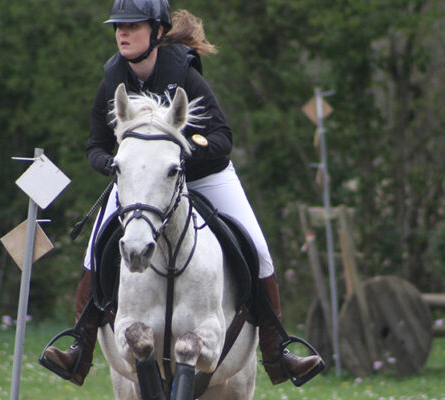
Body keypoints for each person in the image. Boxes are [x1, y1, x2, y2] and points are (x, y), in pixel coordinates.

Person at [41, 0, 321, 387]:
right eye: (118, 26)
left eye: (133, 26)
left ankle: (278, 352)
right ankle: (80, 347)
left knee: (257, 249)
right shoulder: (112, 79)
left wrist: (180, 160)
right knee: (93, 251)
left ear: (156, 32)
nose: (122, 33)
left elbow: (223, 138)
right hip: (140, 184)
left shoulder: (184, 74)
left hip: (204, 175)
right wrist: (117, 165)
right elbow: (95, 145)